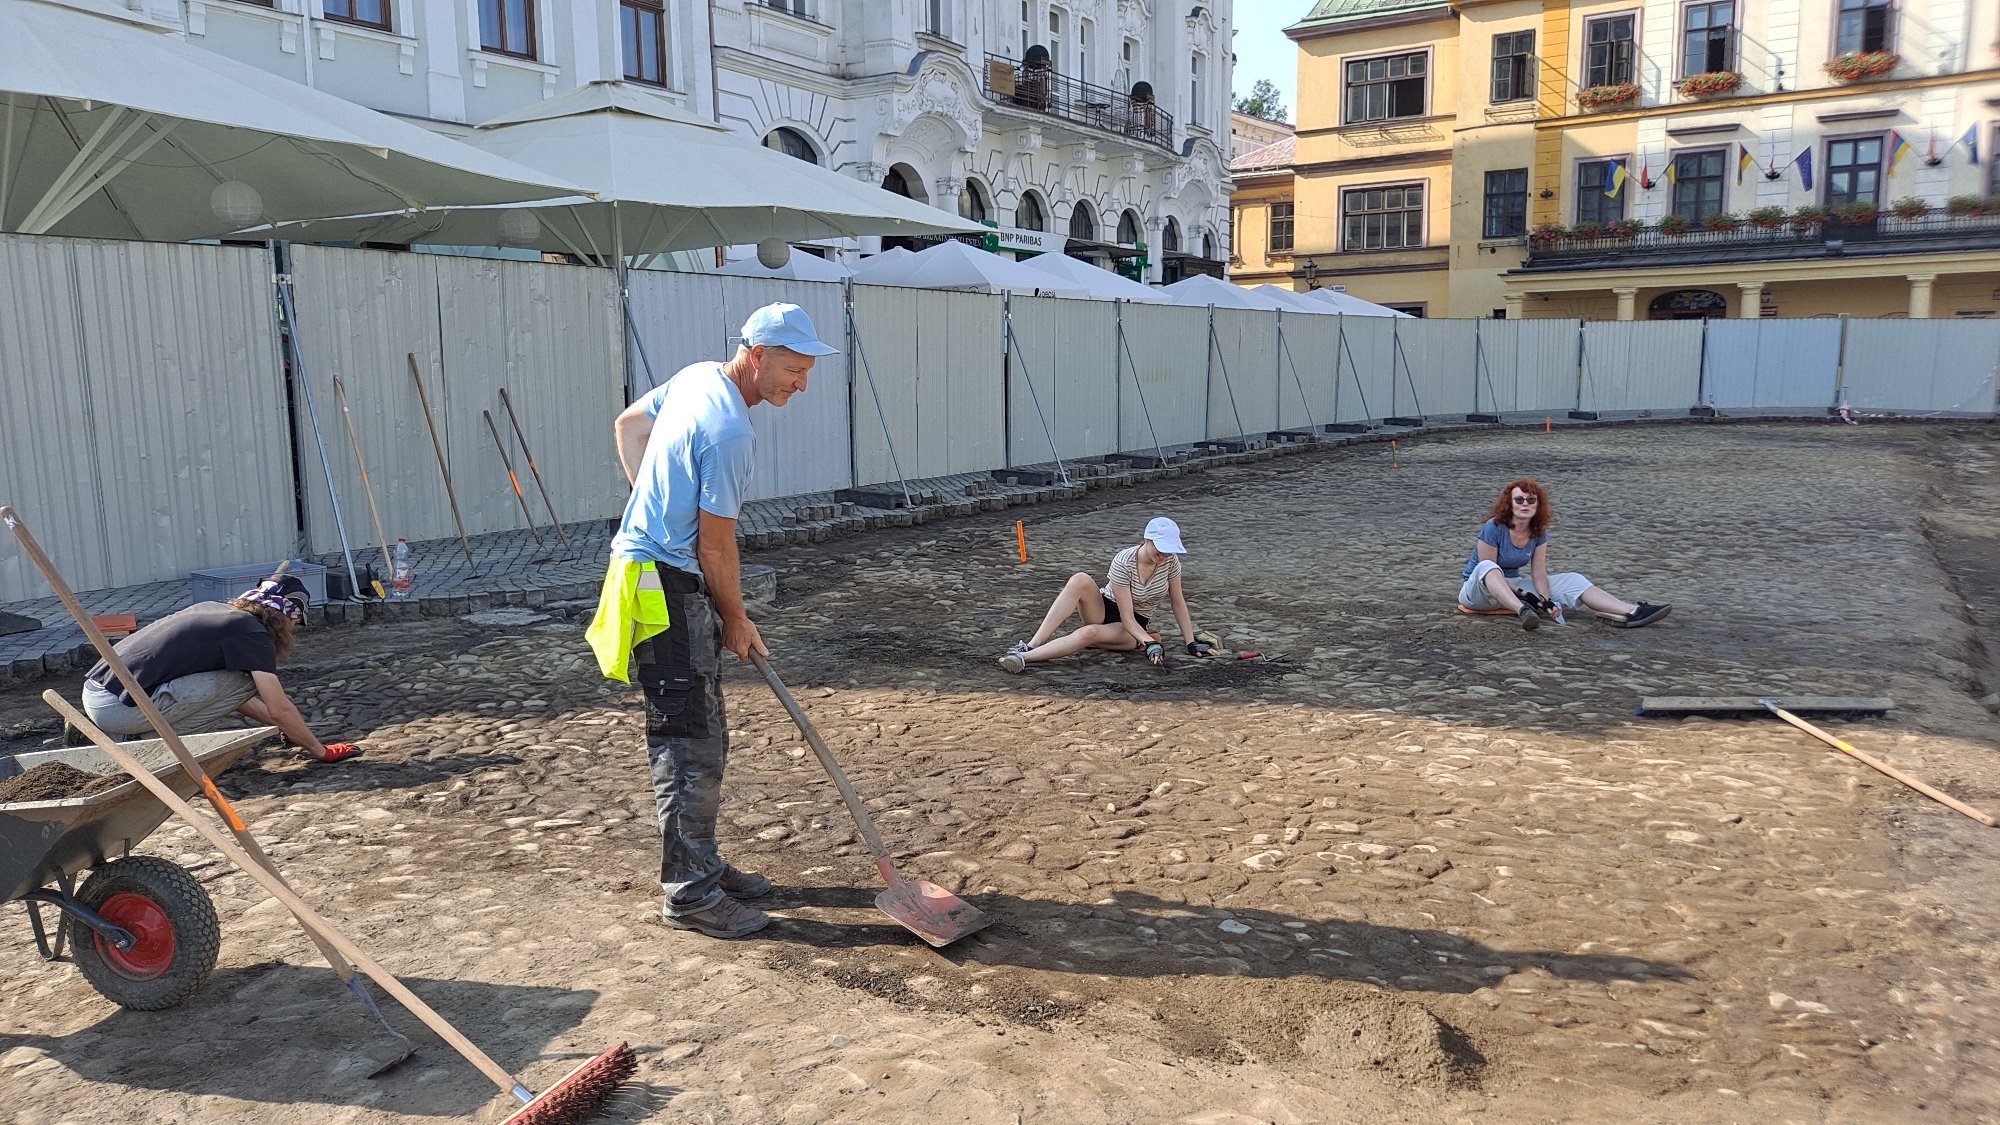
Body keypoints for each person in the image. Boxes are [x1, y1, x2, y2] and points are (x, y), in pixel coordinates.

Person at [590, 302, 833, 940]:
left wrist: (649, 506)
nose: (800, 384)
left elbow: (628, 426)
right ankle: (690, 895)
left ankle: (700, 862)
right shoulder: (731, 433)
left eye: (807, 372)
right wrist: (737, 617)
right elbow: (716, 548)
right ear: (756, 355)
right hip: (662, 588)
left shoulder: (699, 376)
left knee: (705, 733)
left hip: (651, 571)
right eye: (793, 369)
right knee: (688, 740)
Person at [76, 574, 362, 762]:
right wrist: (319, 750)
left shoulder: (215, 610)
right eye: (296, 622)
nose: (294, 629)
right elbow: (278, 707)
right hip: (118, 709)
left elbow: (230, 697)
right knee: (248, 679)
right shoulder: (251, 634)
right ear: (289, 614)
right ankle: (145, 745)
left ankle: (137, 739)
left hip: (96, 694)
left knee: (239, 679)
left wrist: (283, 728)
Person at [998, 516, 1217, 672]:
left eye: (1169, 550)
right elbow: (1124, 613)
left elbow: (1177, 602)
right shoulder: (1124, 561)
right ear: (1146, 539)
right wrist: (1150, 643)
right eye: (1160, 548)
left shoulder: (1171, 563)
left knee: (1088, 633)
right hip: (1106, 607)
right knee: (1079, 579)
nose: (1164, 554)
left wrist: (1190, 643)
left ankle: (1023, 659)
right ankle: (1031, 645)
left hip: (1133, 625)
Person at [1458, 478, 1670, 630]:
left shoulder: (1537, 531)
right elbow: (1488, 571)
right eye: (1519, 500)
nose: (1525, 504)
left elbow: (1539, 572)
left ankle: (1631, 611)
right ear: (1509, 504)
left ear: (1537, 505)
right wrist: (1526, 597)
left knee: (1573, 579)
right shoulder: (1493, 527)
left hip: (1513, 588)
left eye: (1531, 500)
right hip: (1479, 591)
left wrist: (1546, 600)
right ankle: (1523, 611)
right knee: (1488, 567)